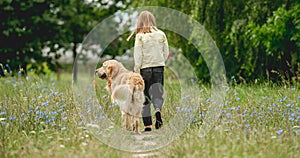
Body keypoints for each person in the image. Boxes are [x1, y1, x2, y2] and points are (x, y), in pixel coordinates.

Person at [131, 11, 169, 132]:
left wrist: (137, 69)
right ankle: (157, 110)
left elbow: (138, 55)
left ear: (140, 21)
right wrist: (161, 61)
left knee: (144, 97)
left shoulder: (140, 36)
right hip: (159, 67)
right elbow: (166, 52)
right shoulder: (161, 34)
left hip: (145, 69)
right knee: (157, 93)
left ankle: (148, 126)